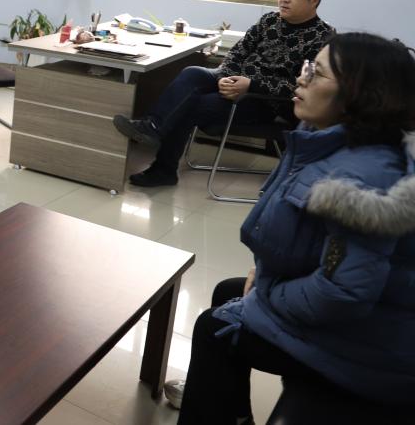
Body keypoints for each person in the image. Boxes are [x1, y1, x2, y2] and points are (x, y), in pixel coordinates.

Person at [170, 33, 415, 424]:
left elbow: (342, 293)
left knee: (212, 326)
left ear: (360, 94)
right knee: (228, 291)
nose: (301, 79)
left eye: (316, 73)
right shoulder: (332, 142)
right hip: (369, 320)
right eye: (306, 68)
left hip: (370, 349)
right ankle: (225, 406)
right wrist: (264, 275)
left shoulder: (361, 180)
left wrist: (266, 295)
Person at [113, 0, 334, 186]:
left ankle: (164, 170)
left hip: (264, 101)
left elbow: (305, 85)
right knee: (192, 73)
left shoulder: (323, 37)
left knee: (190, 105)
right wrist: (226, 77)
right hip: (233, 79)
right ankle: (152, 127)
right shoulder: (269, 20)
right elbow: (237, 52)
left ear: (314, 0)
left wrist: (251, 85)